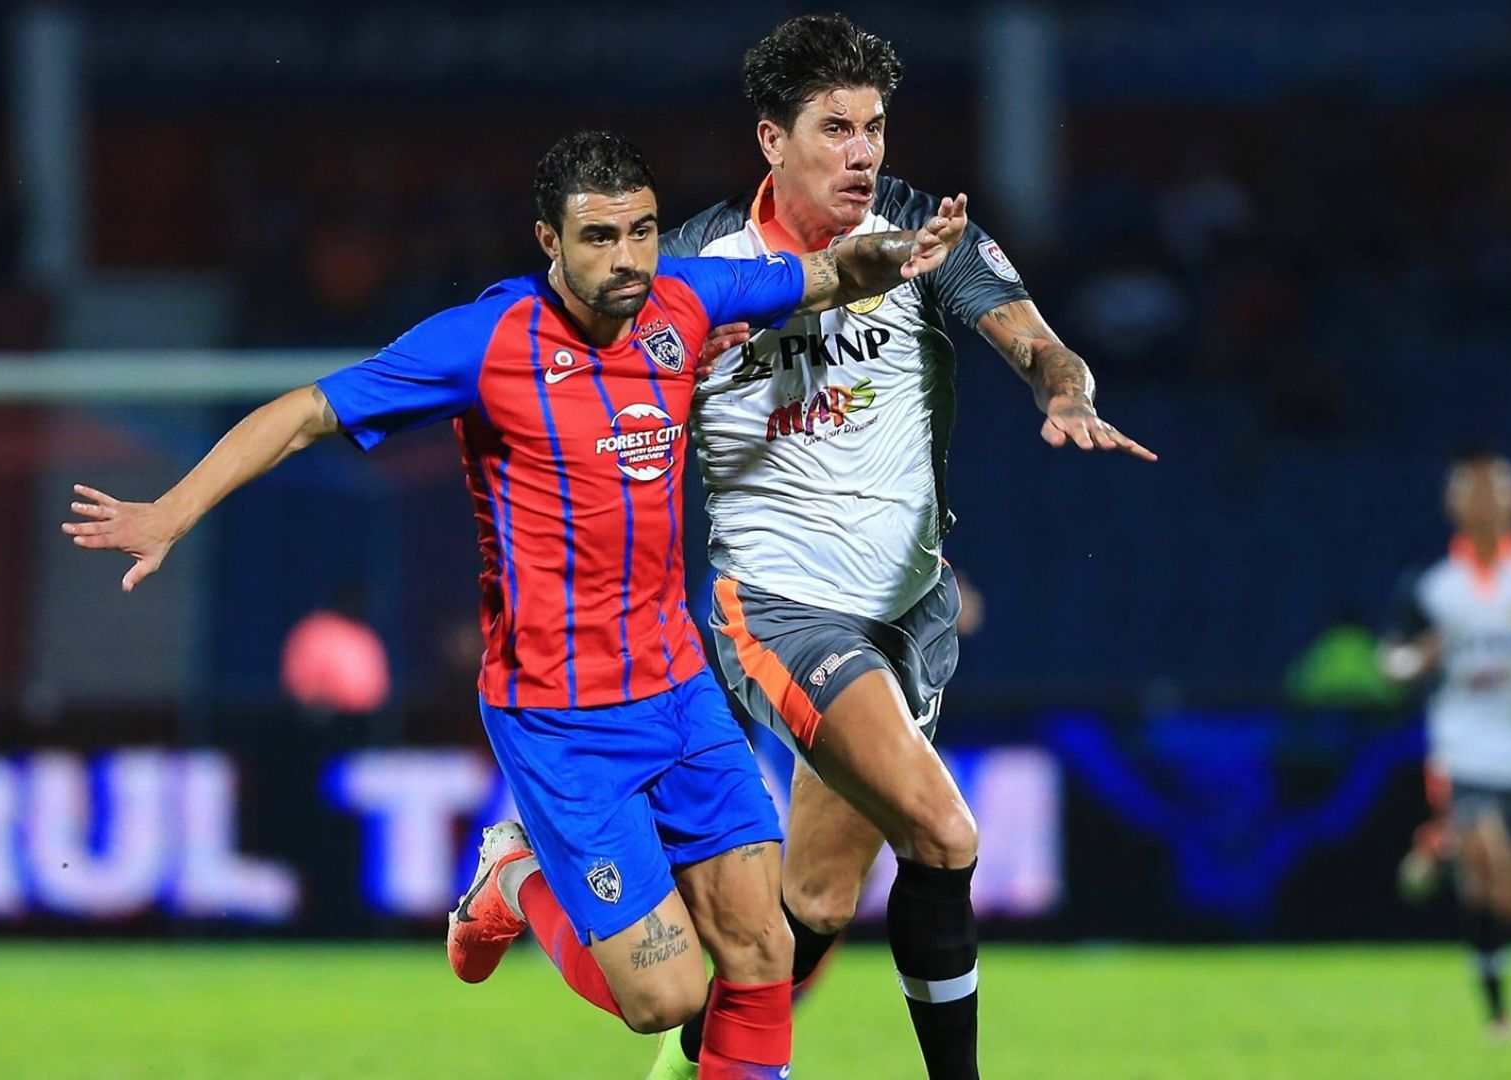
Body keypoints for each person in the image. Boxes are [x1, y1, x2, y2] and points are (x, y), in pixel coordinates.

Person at [63, 128, 968, 1080]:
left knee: (763, 954)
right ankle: (516, 874)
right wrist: (169, 513)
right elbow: (305, 414)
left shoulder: (684, 299)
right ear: (549, 240)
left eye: (642, 231)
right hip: (560, 716)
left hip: (680, 691)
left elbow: (827, 275)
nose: (627, 258)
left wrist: (899, 252)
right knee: (665, 1000)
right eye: (599, 237)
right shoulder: (486, 342)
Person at [632, 15, 1153, 1080]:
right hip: (778, 606)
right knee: (945, 833)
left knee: (818, 901)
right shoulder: (694, 263)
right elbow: (607, 403)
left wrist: (1066, 394)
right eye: (836, 128)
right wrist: (679, 365)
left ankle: (686, 1072)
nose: (863, 152)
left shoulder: (922, 229)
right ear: (773, 140)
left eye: (874, 127)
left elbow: (1042, 347)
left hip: (906, 613)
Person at [1379, 448, 1511, 1039]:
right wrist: (1415, 660)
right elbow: (1389, 659)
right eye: (1469, 489)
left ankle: (1444, 849)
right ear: (1451, 503)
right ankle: (1498, 1015)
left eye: (1494, 487)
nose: (1483, 499)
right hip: (1463, 751)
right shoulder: (1431, 585)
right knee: (1487, 864)